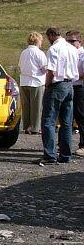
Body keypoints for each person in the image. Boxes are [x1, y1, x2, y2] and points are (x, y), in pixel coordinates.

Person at [37, 27, 79, 166]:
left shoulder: (54, 49)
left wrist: (47, 84)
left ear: (50, 35)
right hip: (69, 85)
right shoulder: (72, 48)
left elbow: (51, 71)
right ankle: (65, 154)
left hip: (57, 85)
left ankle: (50, 154)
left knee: (48, 120)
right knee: (66, 122)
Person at [18, 31, 47, 135]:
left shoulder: (24, 52)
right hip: (36, 81)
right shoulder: (39, 53)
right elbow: (44, 68)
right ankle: (35, 127)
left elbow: (20, 66)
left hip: (24, 81)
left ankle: (26, 126)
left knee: (26, 106)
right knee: (37, 106)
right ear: (37, 41)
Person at [65, 30, 84, 156]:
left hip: (79, 87)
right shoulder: (69, 52)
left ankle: (83, 145)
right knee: (67, 116)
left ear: (79, 41)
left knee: (80, 116)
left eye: (72, 41)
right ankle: (64, 143)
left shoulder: (81, 53)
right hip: (69, 85)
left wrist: (76, 77)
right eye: (68, 41)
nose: (70, 43)